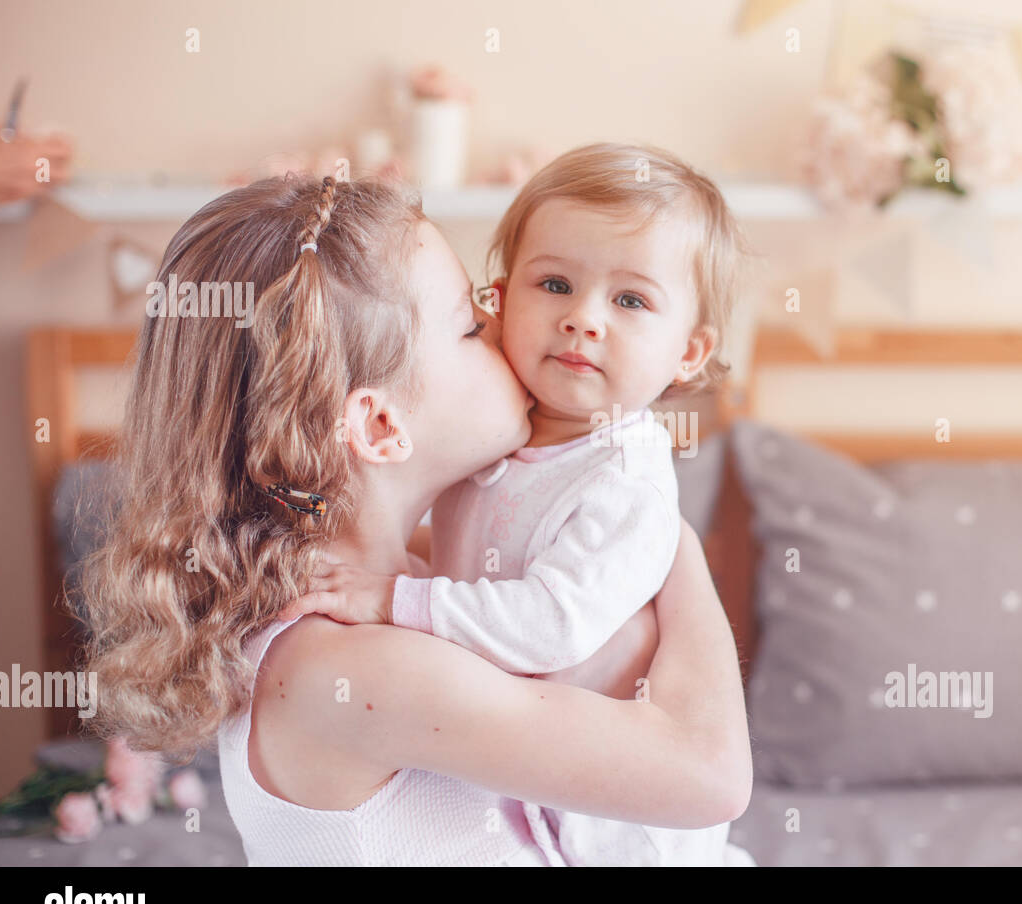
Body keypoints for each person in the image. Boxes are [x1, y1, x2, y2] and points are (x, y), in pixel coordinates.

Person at [73, 173, 752, 866]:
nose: (511, 333)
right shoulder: (358, 667)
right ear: (380, 423)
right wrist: (670, 537)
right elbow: (712, 778)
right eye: (470, 326)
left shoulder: (403, 594)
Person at [280, 143, 754, 865]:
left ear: (689, 353)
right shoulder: (502, 444)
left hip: (629, 836)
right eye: (554, 284)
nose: (584, 320)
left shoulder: (622, 481)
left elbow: (550, 624)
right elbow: (478, 562)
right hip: (543, 784)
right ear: (503, 298)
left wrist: (395, 597)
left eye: (630, 300)